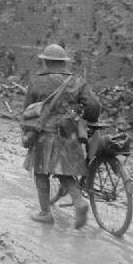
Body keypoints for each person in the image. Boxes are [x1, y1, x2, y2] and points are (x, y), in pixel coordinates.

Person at [21, 44, 100, 227]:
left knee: (41, 171)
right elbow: (94, 106)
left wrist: (26, 134)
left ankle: (45, 213)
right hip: (68, 133)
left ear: (46, 62)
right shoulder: (77, 81)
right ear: (64, 63)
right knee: (65, 171)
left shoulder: (36, 81)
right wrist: (82, 117)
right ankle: (79, 201)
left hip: (43, 134)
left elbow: (27, 111)